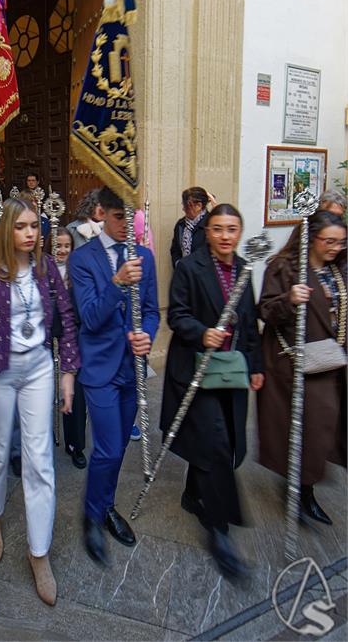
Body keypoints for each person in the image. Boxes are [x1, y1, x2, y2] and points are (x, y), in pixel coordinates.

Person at [0, 197, 79, 606]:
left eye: (35, 226)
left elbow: (65, 318)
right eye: (22, 227)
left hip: (39, 369)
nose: (31, 234)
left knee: (40, 458)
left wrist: (67, 372)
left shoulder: (46, 270)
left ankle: (39, 551)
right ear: (3, 229)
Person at [160, 204, 263, 578]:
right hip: (195, 373)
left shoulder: (244, 270)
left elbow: (249, 321)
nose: (224, 235)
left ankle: (191, 495)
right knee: (216, 445)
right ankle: (219, 533)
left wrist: (257, 366)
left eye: (232, 229)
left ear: (239, 232)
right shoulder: (189, 268)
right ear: (208, 232)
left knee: (224, 440)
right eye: (218, 228)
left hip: (231, 371)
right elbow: (176, 315)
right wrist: (201, 331)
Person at [69, 186, 160, 566]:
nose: (128, 224)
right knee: (106, 447)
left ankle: (105, 504)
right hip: (100, 366)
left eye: (132, 216)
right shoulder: (81, 259)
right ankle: (93, 515)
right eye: (121, 216)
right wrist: (118, 282)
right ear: (102, 213)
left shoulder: (146, 257)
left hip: (131, 367)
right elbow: (89, 316)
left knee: (120, 445)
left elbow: (153, 310)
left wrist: (147, 337)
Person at [258, 210, 346, 526]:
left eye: (341, 242)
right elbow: (265, 310)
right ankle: (301, 493)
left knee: (320, 430)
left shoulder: (337, 270)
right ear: (312, 239)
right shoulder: (285, 268)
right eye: (330, 241)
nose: (336, 247)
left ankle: (302, 487)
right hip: (297, 363)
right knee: (303, 431)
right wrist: (289, 299)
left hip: (330, 360)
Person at [55, 227, 87, 469]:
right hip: (46, 332)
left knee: (75, 392)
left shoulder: (78, 272)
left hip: (72, 332)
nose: (63, 250)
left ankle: (76, 443)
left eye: (67, 246)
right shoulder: (41, 270)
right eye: (58, 246)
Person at [170, 186, 213, 267]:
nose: (183, 209)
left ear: (198, 206)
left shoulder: (210, 225)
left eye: (187, 206)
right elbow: (175, 250)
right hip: (182, 274)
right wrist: (178, 264)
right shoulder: (180, 225)